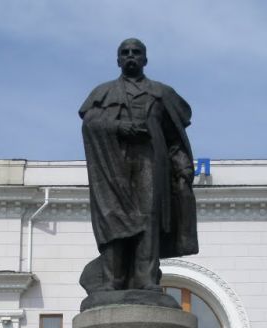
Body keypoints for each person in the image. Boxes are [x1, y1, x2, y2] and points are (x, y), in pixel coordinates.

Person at [79, 38, 198, 295]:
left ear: (145, 59)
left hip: (151, 162)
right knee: (114, 219)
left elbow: (174, 139)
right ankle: (112, 280)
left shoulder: (160, 93)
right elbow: (90, 123)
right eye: (125, 53)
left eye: (136, 52)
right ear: (118, 60)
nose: (130, 56)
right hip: (113, 167)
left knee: (149, 218)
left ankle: (145, 278)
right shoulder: (103, 93)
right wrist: (118, 126)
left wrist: (183, 167)